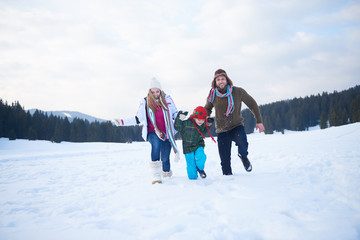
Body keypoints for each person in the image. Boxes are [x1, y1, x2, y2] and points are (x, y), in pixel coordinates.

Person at [113, 77, 179, 184]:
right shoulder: (145, 102)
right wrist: (122, 122)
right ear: (149, 91)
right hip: (152, 132)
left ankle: (166, 172)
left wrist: (182, 116)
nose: (155, 94)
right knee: (156, 145)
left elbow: (175, 114)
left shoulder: (168, 99)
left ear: (161, 91)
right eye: (153, 92)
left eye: (157, 91)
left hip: (167, 133)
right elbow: (138, 119)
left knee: (165, 156)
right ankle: (156, 175)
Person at [204, 69, 265, 175]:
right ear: (215, 82)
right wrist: (204, 118)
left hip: (236, 125)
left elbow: (252, 103)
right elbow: (207, 109)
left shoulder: (237, 91)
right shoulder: (212, 94)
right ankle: (228, 178)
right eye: (218, 79)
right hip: (221, 129)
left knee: (242, 142)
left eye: (223, 79)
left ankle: (243, 156)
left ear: (227, 80)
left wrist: (259, 121)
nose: (221, 81)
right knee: (225, 160)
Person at [174, 106, 216, 180]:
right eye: (199, 119)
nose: (201, 122)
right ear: (194, 117)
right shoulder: (186, 123)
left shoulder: (202, 124)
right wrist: (179, 117)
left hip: (198, 144)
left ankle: (200, 169)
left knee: (201, 156)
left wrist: (207, 125)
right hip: (188, 147)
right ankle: (193, 180)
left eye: (203, 120)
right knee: (191, 166)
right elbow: (177, 127)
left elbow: (203, 132)